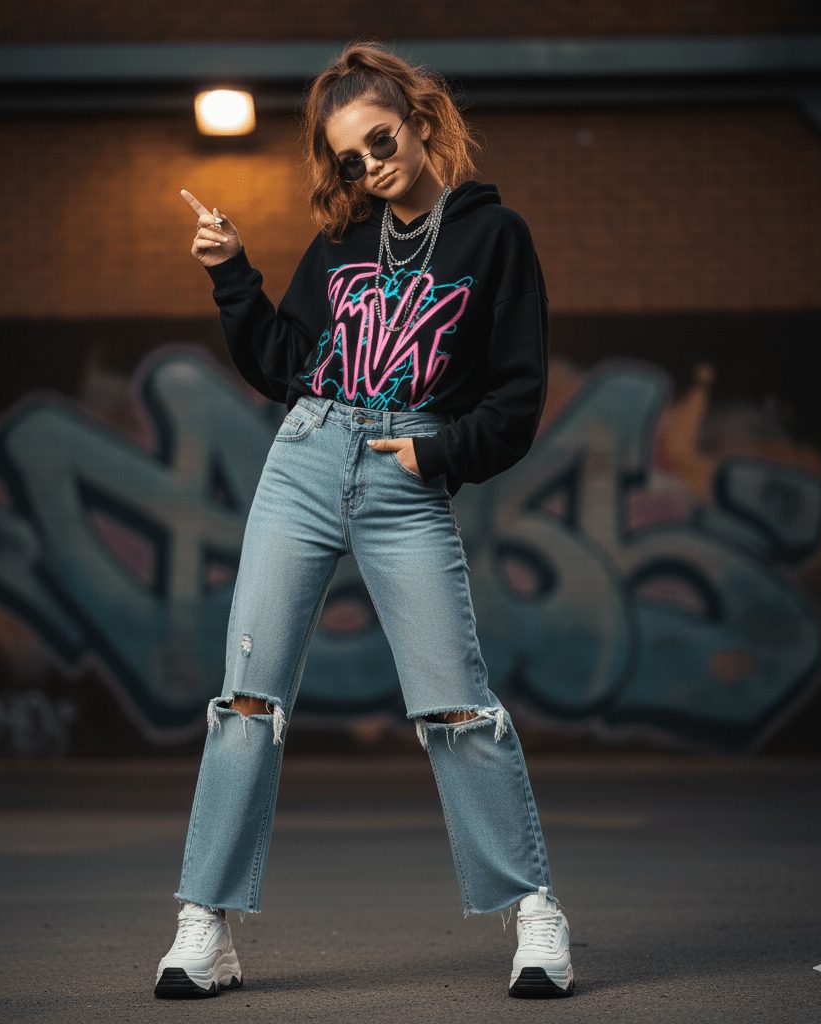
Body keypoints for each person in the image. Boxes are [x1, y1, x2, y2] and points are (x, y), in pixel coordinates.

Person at [154, 39, 575, 1001]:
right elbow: (281, 362)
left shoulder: (494, 238)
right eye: (349, 159)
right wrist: (230, 271)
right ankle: (204, 926)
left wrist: (440, 453)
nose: (370, 164)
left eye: (381, 141)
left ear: (421, 124)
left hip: (405, 472)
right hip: (304, 458)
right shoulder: (341, 244)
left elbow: (517, 395)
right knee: (247, 703)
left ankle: (535, 912)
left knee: (456, 705)